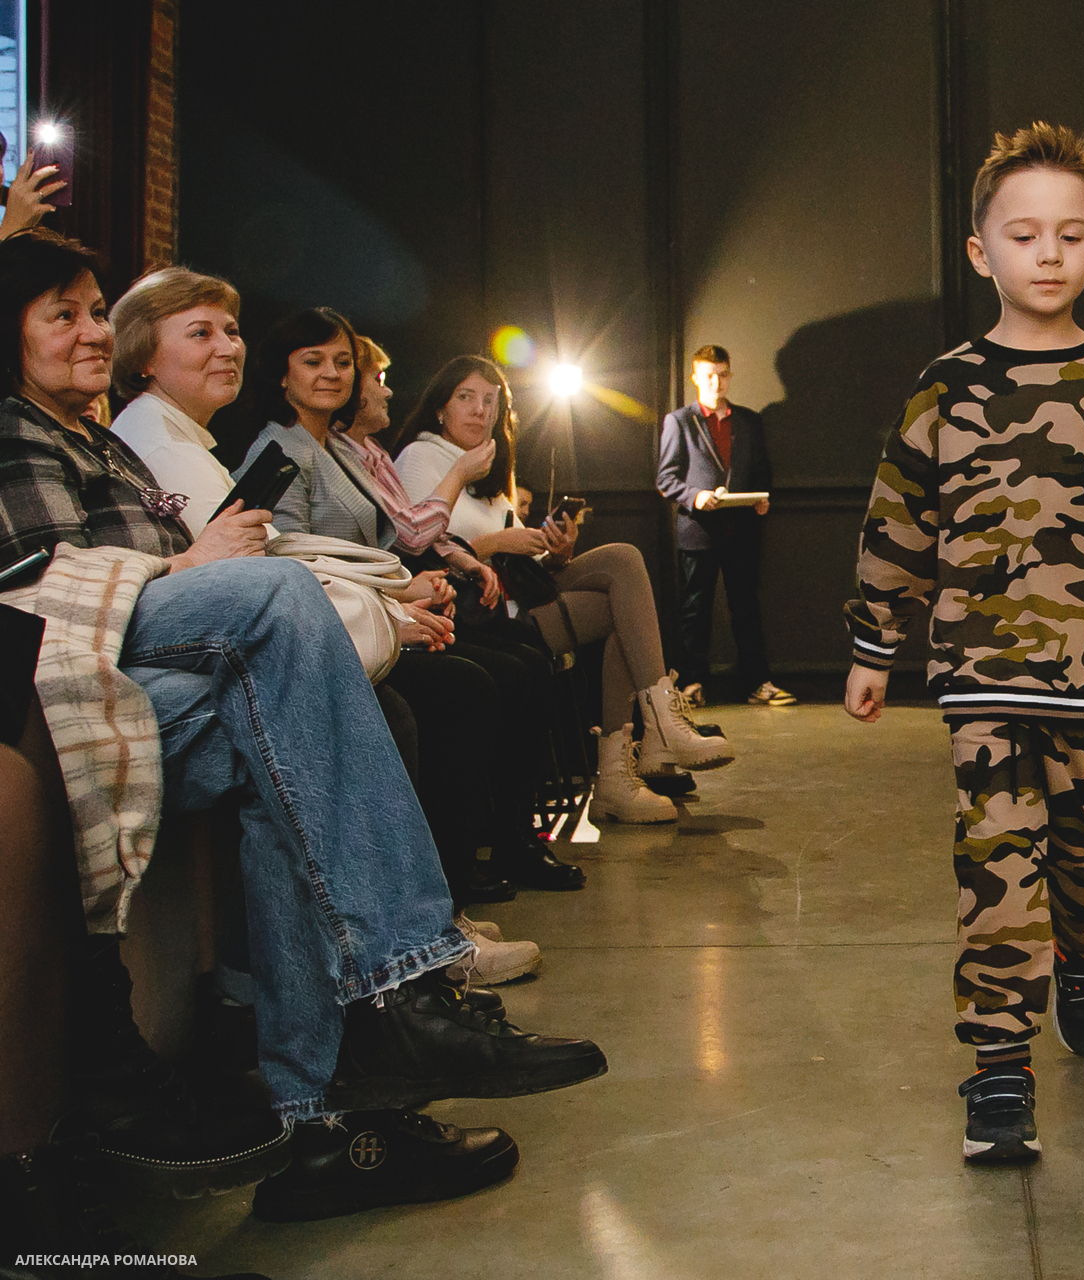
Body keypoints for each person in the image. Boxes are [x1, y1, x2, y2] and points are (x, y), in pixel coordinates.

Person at [0, 229, 607, 1219]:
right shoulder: (15, 429)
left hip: (171, 670)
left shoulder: (101, 440)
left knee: (290, 739)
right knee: (285, 607)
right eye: (61, 314)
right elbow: (38, 593)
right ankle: (408, 986)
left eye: (95, 310)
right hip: (75, 680)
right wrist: (183, 566)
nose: (91, 330)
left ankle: (322, 1134)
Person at [843, 124, 1084, 1164]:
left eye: (1069, 234)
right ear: (982, 253)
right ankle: (999, 1068)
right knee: (997, 862)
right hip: (984, 674)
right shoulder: (945, 388)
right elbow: (898, 521)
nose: (1047, 253)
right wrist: (875, 644)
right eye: (1024, 235)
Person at [239, 308, 587, 897]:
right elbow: (292, 565)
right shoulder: (281, 448)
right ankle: (448, 882)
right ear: (282, 374)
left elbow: (381, 546)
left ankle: (507, 845)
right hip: (337, 631)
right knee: (476, 684)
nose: (333, 374)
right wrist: (401, 600)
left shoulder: (337, 446)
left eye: (343, 363)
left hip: (379, 612)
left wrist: (412, 587)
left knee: (521, 663)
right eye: (314, 361)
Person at [393, 355, 732, 824]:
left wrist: (554, 551)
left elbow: (519, 559)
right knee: (620, 607)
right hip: (475, 612)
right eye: (466, 397)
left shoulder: (488, 466)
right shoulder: (421, 457)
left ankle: (646, 742)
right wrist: (498, 543)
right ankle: (638, 753)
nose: (480, 411)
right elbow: (418, 548)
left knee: (623, 561)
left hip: (514, 593)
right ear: (439, 408)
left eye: (490, 401)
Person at [657, 344, 796, 708]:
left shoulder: (749, 421)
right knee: (695, 611)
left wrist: (762, 499)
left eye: (722, 375)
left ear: (730, 375)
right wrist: (695, 496)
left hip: (742, 530)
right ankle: (691, 684)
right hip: (698, 531)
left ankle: (758, 683)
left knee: (747, 608)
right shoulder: (679, 421)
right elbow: (665, 479)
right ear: (696, 378)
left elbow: (762, 470)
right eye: (709, 376)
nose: (716, 382)